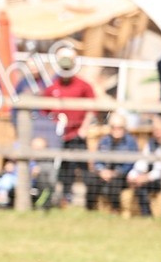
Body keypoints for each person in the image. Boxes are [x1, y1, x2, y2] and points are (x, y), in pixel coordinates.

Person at [42, 47, 95, 206]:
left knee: (83, 167)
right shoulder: (52, 86)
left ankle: (91, 199)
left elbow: (92, 107)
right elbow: (44, 110)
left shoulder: (83, 85)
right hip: (59, 135)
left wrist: (84, 128)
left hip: (77, 133)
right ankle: (64, 198)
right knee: (63, 168)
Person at [88, 114, 136, 211]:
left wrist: (114, 173)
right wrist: (102, 171)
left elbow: (130, 164)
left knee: (115, 182)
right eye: (114, 127)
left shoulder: (130, 142)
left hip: (121, 175)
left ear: (124, 128)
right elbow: (97, 159)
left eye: (120, 128)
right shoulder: (104, 140)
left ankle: (115, 209)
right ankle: (90, 209)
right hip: (104, 173)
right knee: (91, 179)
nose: (117, 130)